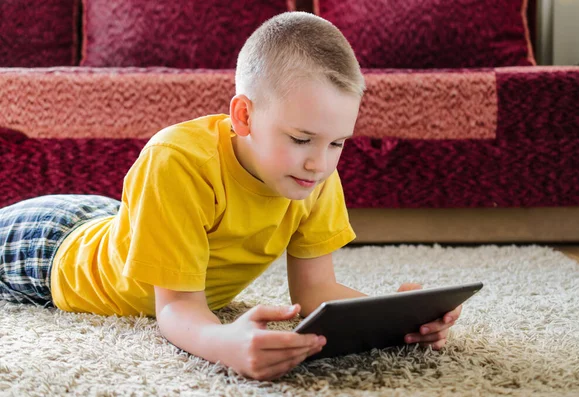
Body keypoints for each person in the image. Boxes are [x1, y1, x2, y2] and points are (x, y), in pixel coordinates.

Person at [0, 12, 462, 381]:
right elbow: (178, 309)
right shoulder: (176, 160)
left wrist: (402, 320)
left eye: (337, 143)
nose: (319, 163)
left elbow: (316, 290)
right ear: (243, 116)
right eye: (301, 139)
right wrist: (226, 345)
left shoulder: (313, 178)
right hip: (52, 250)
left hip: (128, 225)